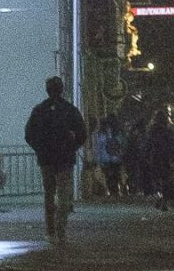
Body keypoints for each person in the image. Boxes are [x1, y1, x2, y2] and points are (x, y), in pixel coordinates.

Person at [25, 75, 87, 244]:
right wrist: (72, 146)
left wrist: (40, 149)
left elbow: (29, 134)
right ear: (62, 89)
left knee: (49, 195)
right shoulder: (70, 110)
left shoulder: (39, 110)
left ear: (47, 90)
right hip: (65, 159)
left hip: (46, 160)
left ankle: (50, 231)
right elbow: (82, 133)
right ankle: (62, 231)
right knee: (63, 195)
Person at [145, 107, 174, 210]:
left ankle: (160, 197)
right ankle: (164, 199)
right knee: (165, 179)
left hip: (155, 158)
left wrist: (146, 156)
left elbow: (147, 145)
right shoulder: (168, 131)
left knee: (156, 179)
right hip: (166, 158)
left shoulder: (151, 131)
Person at [93, 113, 126, 196]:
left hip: (105, 158)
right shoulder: (119, 132)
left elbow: (99, 147)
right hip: (116, 157)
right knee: (116, 174)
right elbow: (122, 144)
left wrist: (98, 159)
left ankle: (112, 191)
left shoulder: (101, 133)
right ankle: (116, 191)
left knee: (108, 175)